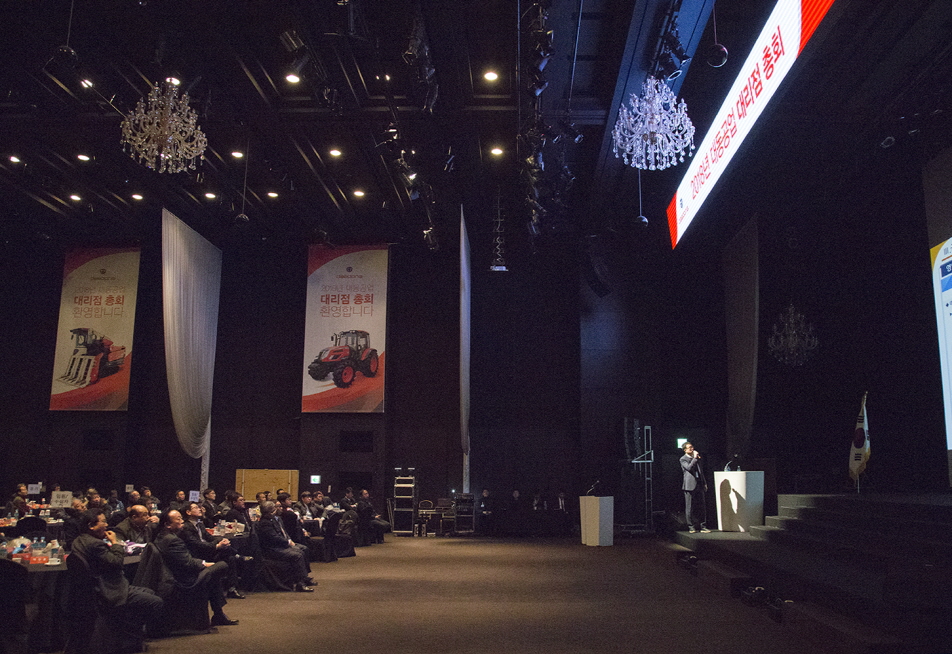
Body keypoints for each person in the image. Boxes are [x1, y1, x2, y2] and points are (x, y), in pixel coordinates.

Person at [71, 509, 164, 652]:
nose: (106, 525)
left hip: (99, 587)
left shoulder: (79, 540)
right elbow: (116, 562)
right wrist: (115, 543)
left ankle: (130, 636)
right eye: (103, 522)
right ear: (91, 526)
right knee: (156, 602)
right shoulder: (95, 544)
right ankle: (130, 636)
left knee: (149, 592)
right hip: (109, 590)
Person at [153, 509, 238, 626]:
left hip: (179, 573)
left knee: (214, 575)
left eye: (181, 518)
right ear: (167, 524)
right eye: (178, 519)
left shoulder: (162, 536)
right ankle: (219, 614)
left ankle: (219, 614)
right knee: (222, 565)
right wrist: (205, 564)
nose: (182, 521)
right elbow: (188, 563)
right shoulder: (173, 540)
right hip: (183, 580)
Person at [178, 501, 245, 600]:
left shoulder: (199, 524)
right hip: (197, 556)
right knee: (227, 554)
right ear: (188, 512)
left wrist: (221, 541)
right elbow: (197, 545)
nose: (200, 509)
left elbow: (210, 537)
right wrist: (217, 546)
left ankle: (232, 588)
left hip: (206, 551)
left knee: (229, 557)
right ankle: (238, 556)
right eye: (196, 508)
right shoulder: (186, 527)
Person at [256, 501, 314, 592]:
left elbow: (283, 533)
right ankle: (300, 583)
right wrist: (287, 542)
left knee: (303, 550)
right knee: (298, 555)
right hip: (272, 549)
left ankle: (303, 578)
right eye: (275, 508)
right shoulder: (265, 523)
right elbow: (273, 537)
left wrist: (289, 541)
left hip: (280, 545)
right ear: (271, 511)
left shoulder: (275, 519)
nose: (278, 509)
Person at [680, 442, 710, 534]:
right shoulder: (683, 459)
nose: (692, 449)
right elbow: (689, 468)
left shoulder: (697, 458)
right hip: (689, 485)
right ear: (685, 450)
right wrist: (695, 458)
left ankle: (703, 526)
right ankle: (691, 527)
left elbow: (701, 471)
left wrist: (704, 483)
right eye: (689, 448)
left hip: (699, 484)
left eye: (692, 447)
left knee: (702, 507)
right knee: (689, 507)